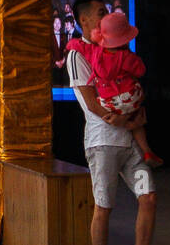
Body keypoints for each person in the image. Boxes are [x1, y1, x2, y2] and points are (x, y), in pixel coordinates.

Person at [66, 0, 170, 245]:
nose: (107, 16)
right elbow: (91, 103)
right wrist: (126, 120)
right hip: (103, 143)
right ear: (85, 20)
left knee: (148, 195)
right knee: (104, 206)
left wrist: (134, 118)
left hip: (128, 141)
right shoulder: (77, 54)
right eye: (101, 12)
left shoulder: (112, 47)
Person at [66, 9, 160, 166]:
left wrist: (72, 43)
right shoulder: (126, 56)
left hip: (110, 103)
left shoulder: (95, 52)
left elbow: (78, 46)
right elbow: (140, 70)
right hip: (130, 98)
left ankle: (134, 131)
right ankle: (146, 150)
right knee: (137, 112)